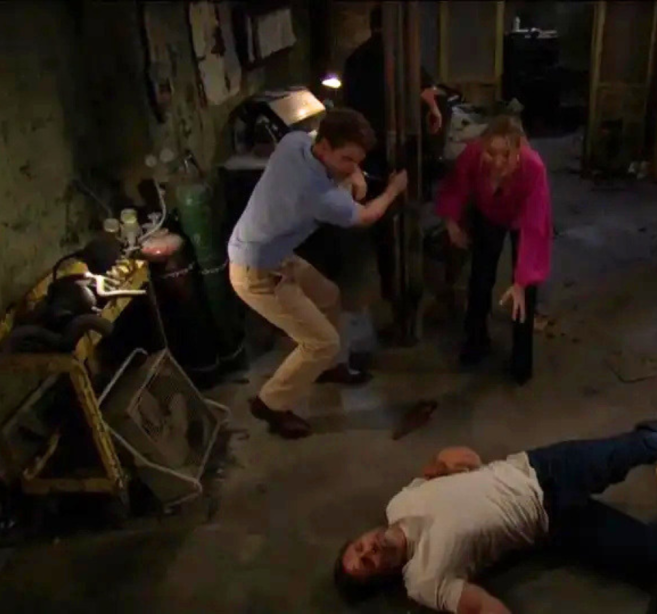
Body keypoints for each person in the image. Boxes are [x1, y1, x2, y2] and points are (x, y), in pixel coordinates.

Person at [333, 415, 657, 613]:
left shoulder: (398, 504)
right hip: (553, 524)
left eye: (358, 547)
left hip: (540, 469)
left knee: (638, 448)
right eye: (367, 563)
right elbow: (481, 607)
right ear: (383, 576)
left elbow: (437, 472)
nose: (369, 550)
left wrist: (443, 461)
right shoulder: (424, 580)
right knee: (652, 560)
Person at [228, 108, 408, 439]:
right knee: (321, 341)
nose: (352, 167)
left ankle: (328, 366)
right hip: (256, 270)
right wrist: (393, 190)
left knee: (328, 296)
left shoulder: (295, 142)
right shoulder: (317, 195)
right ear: (324, 146)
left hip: (274, 253)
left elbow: (342, 177)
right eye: (346, 159)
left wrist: (352, 174)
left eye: (357, 160)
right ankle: (270, 404)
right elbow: (366, 216)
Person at [435, 115, 552, 385]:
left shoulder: (534, 167)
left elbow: (535, 225)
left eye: (506, 155)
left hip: (521, 218)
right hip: (489, 213)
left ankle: (521, 360)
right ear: (483, 146)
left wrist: (522, 280)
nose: (497, 162)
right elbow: (456, 185)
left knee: (524, 294)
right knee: (480, 277)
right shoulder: (473, 154)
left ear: (519, 148)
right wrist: (451, 223)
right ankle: (476, 341)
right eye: (491, 153)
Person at [342, 4, 443, 304]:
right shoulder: (398, 56)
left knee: (383, 224)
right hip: (396, 147)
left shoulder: (356, 60)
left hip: (370, 150)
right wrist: (433, 107)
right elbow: (426, 89)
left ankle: (392, 288)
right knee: (404, 210)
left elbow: (348, 108)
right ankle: (408, 286)